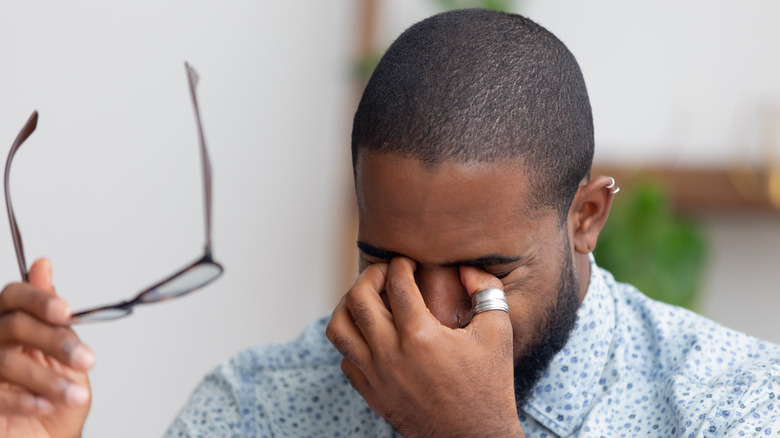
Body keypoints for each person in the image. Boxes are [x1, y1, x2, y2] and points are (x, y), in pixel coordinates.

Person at [2, 8, 779, 437]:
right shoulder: (257, 407)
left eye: (487, 272)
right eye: (387, 259)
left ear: (586, 216)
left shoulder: (732, 404)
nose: (431, 319)